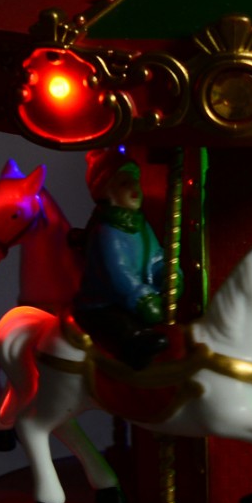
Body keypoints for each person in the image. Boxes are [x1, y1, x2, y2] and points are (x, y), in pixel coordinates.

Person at [73, 149, 170, 369]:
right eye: (124, 183)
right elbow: (118, 272)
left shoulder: (140, 224)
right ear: (106, 192)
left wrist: (167, 274)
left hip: (135, 297)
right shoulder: (107, 231)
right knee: (123, 328)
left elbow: (155, 256)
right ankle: (132, 367)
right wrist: (142, 299)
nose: (134, 187)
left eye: (135, 181)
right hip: (104, 302)